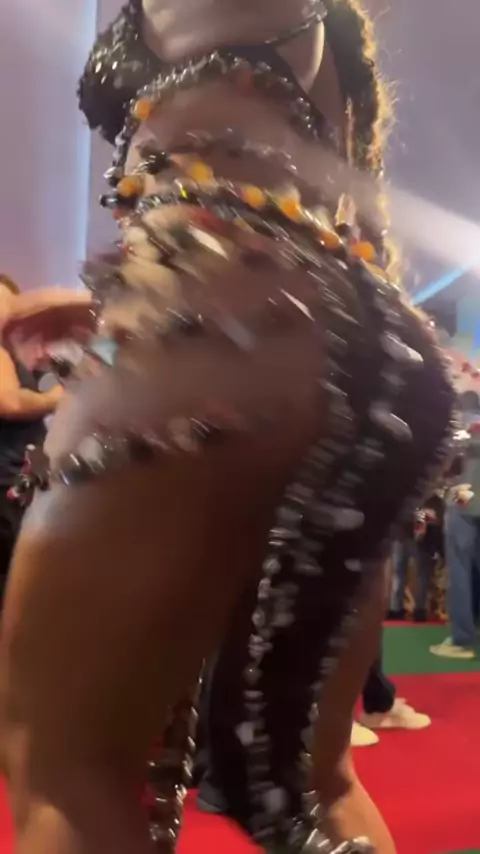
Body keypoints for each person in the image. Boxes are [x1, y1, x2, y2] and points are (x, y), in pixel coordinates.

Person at [0, 3, 454, 854]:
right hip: (360, 337)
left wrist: (172, 306)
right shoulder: (324, 36)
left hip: (216, 296)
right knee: (319, 781)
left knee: (67, 773)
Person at [0, 274, 64, 599]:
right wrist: (57, 398)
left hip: (25, 481)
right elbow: (9, 403)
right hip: (6, 486)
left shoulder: (17, 355)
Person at [431, 424, 480, 659]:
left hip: (465, 500)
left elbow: (447, 456)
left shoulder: (469, 430)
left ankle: (462, 639)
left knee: (459, 571)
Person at [389, 492, 444, 622]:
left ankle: (396, 609)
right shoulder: (427, 497)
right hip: (416, 540)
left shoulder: (404, 494)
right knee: (421, 576)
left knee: (400, 575)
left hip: (401, 537)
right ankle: (418, 610)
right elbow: (424, 517)